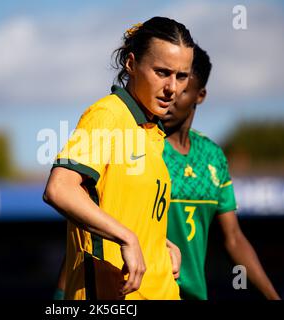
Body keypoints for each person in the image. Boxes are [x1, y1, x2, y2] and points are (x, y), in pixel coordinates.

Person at [43, 16, 194, 300]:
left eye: (181, 76)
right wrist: (128, 238)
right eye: (162, 72)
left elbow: (120, 209)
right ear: (131, 64)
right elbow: (59, 188)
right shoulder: (107, 115)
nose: (172, 87)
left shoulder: (153, 133)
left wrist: (159, 243)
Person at [162, 44, 281, 300]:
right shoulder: (142, 146)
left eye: (182, 91)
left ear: (200, 95)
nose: (169, 96)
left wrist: (273, 297)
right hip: (145, 294)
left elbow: (234, 238)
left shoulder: (213, 156)